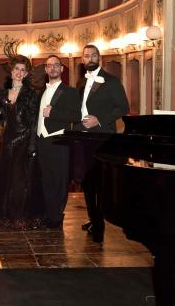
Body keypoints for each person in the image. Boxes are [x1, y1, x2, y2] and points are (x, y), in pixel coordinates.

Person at [0, 55, 44, 229]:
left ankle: (20, 216)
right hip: (8, 139)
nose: (19, 73)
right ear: (12, 70)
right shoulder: (3, 92)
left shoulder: (31, 94)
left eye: (23, 70)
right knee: (5, 177)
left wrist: (32, 145)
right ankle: (5, 213)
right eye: (17, 69)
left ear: (26, 73)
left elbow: (33, 122)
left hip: (24, 139)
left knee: (20, 180)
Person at [76, 44, 129, 242]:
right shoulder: (81, 82)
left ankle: (99, 227)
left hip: (102, 138)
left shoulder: (111, 81)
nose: (89, 58)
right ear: (82, 60)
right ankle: (94, 219)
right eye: (86, 55)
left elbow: (123, 107)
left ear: (99, 58)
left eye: (93, 55)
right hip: (83, 138)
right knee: (87, 182)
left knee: (99, 184)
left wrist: (99, 119)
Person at [36, 55, 82, 229]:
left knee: (60, 179)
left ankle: (57, 216)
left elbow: (76, 117)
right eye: (49, 66)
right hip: (41, 140)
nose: (53, 68)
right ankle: (49, 213)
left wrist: (53, 112)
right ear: (46, 70)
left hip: (58, 139)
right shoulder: (41, 92)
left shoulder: (70, 91)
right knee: (45, 179)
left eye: (56, 65)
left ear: (62, 69)